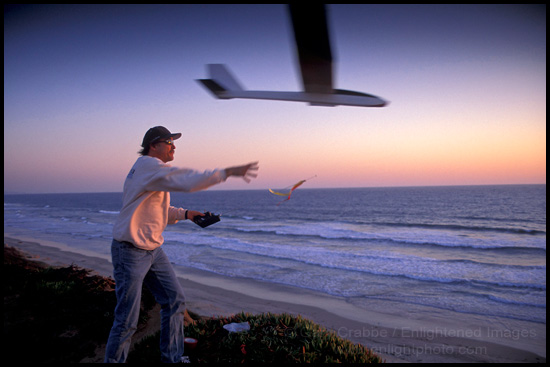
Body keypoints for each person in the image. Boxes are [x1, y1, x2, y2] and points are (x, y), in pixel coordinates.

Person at [104, 126, 258, 363]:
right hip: (131, 251)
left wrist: (187, 214)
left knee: (174, 300)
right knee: (126, 320)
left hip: (152, 249)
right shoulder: (149, 166)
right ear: (153, 145)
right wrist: (226, 172)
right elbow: (187, 180)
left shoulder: (149, 171)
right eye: (169, 141)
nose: (174, 146)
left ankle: (172, 358)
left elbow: (156, 209)